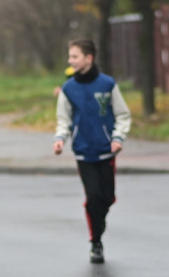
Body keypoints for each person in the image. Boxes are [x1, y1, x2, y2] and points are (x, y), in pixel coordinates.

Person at [53, 38, 131, 264]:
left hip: (106, 150)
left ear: (89, 58)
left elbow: (122, 114)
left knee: (107, 197)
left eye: (74, 56)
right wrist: (60, 139)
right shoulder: (68, 89)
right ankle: (96, 242)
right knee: (93, 196)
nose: (70, 61)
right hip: (83, 152)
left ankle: (98, 223)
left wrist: (117, 138)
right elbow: (63, 119)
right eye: (70, 57)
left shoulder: (107, 85)